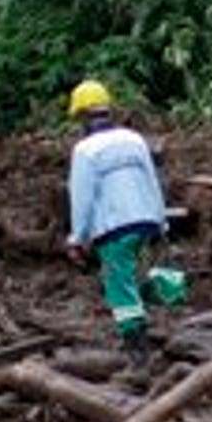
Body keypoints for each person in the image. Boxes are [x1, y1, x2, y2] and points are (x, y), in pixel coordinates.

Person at [65, 80, 168, 359]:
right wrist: (161, 220)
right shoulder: (134, 139)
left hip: (114, 228)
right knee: (138, 276)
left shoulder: (85, 151)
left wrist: (78, 238)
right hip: (146, 221)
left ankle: (136, 345)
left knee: (119, 283)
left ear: (83, 116)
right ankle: (154, 321)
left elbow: (82, 199)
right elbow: (152, 181)